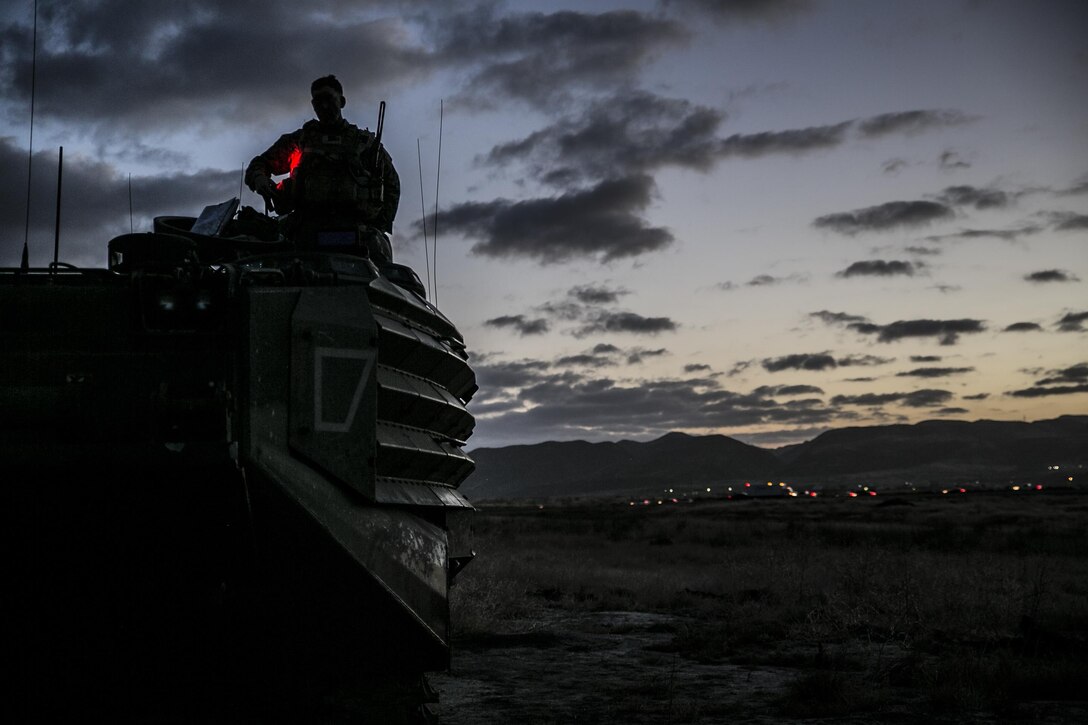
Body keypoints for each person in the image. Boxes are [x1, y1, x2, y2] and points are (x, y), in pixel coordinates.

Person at [245, 75, 400, 262]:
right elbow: (260, 164)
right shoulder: (300, 142)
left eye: (329, 99)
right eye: (318, 101)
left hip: (357, 232)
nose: (324, 106)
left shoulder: (364, 145)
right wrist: (260, 179)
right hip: (306, 229)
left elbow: (391, 184)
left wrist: (379, 225)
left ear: (341, 101)